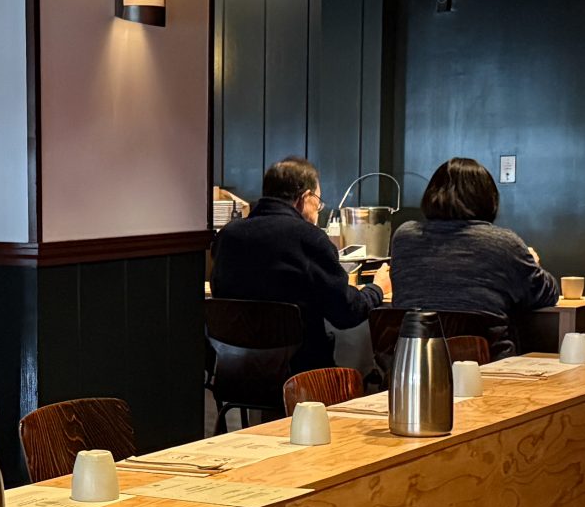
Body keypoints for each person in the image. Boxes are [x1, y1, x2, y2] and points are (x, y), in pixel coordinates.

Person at [210, 157, 390, 370]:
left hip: (233, 370)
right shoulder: (308, 237)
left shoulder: (227, 235)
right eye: (318, 202)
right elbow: (346, 313)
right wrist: (377, 289)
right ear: (305, 197)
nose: (318, 210)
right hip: (301, 376)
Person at [386, 157, 558, 339]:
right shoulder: (504, 243)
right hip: (487, 363)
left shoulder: (404, 237)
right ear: (487, 198)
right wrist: (533, 265)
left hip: (412, 361)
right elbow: (549, 294)